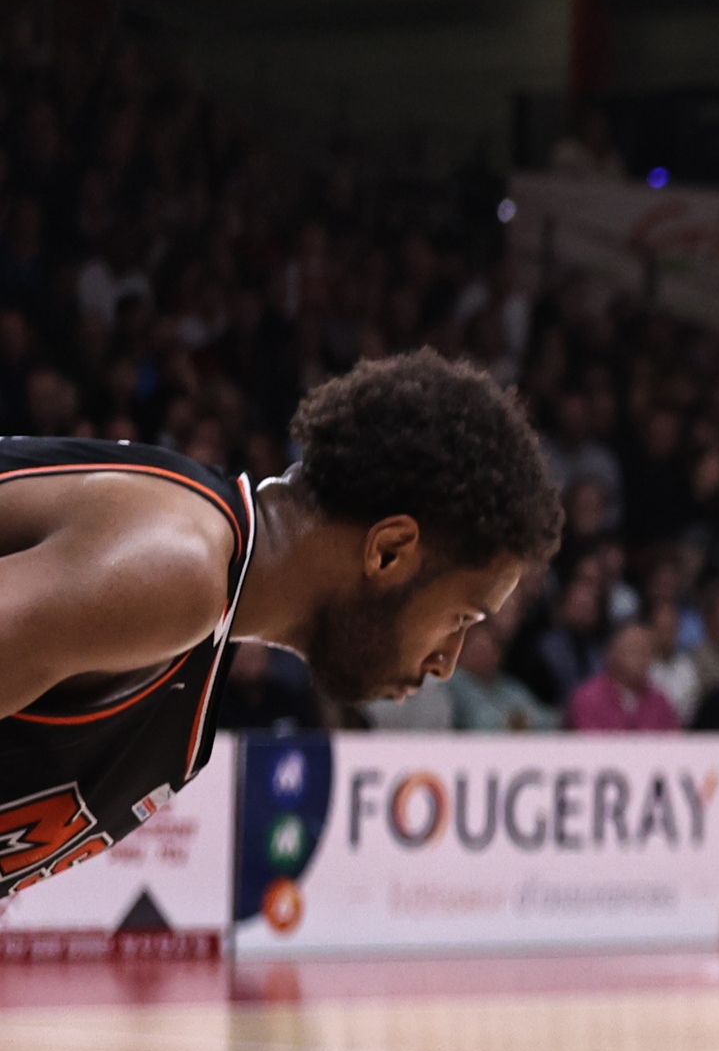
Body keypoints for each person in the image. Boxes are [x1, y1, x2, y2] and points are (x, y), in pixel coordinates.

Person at [1, 352, 561, 895]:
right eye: (460, 617)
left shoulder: (197, 628)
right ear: (389, 551)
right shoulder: (177, 566)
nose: (447, 662)